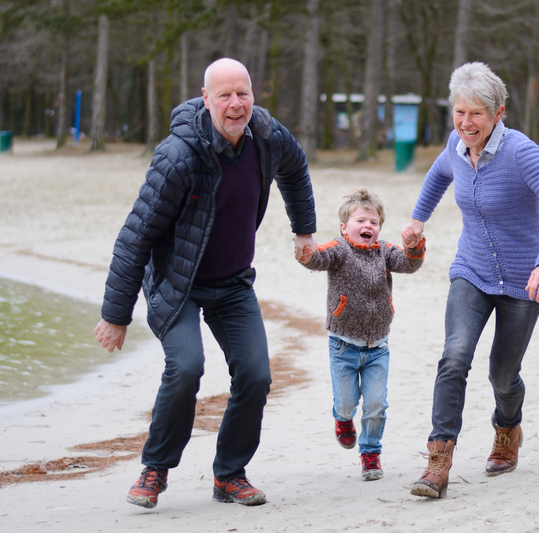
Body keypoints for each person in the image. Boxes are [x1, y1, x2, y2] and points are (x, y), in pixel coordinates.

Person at [94, 58, 316, 509]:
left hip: (233, 283)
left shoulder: (267, 136)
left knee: (255, 375)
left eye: (243, 94)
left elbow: (295, 169)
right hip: (177, 284)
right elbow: (136, 236)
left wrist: (303, 230)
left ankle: (229, 474)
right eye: (224, 95)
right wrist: (116, 316)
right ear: (205, 99)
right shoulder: (178, 156)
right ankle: (155, 468)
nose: (236, 104)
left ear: (253, 95)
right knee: (186, 367)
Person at [403, 62, 539, 499]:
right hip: (472, 270)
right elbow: (439, 174)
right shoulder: (455, 145)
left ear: (498, 113)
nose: (466, 123)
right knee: (454, 356)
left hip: (523, 281)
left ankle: (507, 429)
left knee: (503, 374)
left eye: (476, 114)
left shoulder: (521, 152)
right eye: (459, 112)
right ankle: (438, 461)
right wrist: (418, 220)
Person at [296, 188, 425, 481]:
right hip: (343, 346)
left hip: (378, 347)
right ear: (344, 227)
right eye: (361, 221)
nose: (368, 226)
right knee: (346, 404)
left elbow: (409, 264)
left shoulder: (385, 251)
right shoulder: (339, 249)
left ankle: (370, 453)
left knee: (376, 405)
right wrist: (307, 253)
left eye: (373, 222)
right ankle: (342, 420)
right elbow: (319, 258)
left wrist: (414, 247)